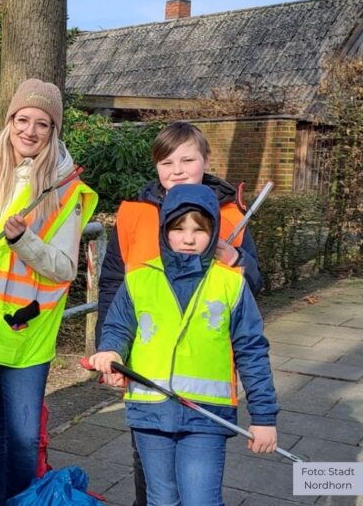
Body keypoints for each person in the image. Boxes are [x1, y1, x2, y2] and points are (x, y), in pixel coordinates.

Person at [0, 78, 98, 505]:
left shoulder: (64, 189)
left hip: (24, 332)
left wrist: (23, 241)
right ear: (9, 121)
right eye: (22, 119)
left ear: (54, 130)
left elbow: (64, 267)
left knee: (24, 438)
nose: (30, 131)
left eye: (42, 124)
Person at [95, 121, 264, 506]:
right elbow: (113, 285)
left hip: (202, 367)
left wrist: (234, 256)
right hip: (146, 364)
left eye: (187, 160)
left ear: (206, 160)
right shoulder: (134, 212)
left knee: (198, 481)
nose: (177, 170)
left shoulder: (230, 215)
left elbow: (254, 284)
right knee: (150, 474)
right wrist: (109, 349)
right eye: (166, 162)